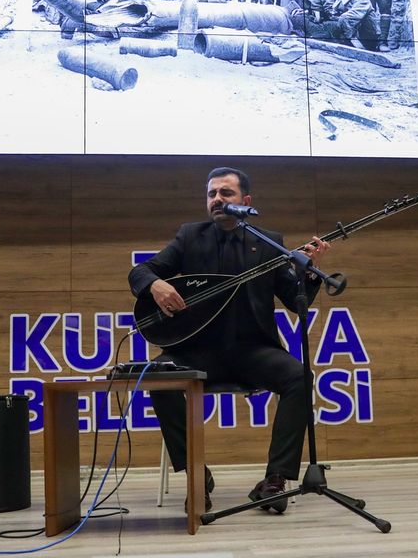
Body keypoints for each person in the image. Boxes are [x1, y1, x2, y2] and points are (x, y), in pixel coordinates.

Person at [128, 167, 330, 514]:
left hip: (253, 351)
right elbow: (141, 271)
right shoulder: (190, 236)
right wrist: (155, 285)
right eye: (212, 194)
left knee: (299, 377)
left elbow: (295, 300)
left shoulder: (268, 242)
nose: (217, 199)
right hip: (196, 351)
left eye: (226, 193)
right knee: (157, 374)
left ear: (245, 201)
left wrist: (309, 273)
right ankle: (196, 474)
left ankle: (275, 480)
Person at [300, 0, 382, 50]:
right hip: (351, 32)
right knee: (308, 20)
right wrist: (309, 13)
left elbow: (353, 16)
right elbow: (333, 15)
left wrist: (335, 23)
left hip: (367, 37)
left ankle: (355, 45)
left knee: (329, 26)